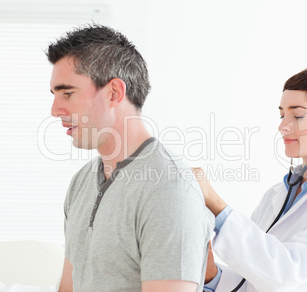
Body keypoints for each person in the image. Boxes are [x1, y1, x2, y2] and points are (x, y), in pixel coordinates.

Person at [46, 24, 214, 292]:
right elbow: (69, 285)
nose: (55, 110)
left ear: (114, 93)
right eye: (54, 95)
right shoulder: (81, 182)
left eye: (67, 93)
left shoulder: (170, 190)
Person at [193, 67, 307, 291]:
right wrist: (212, 276)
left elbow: (287, 276)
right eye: (282, 115)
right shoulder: (279, 194)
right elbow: (253, 280)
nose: (282, 126)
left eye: (297, 115)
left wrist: (215, 203)